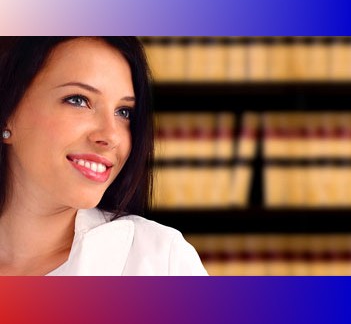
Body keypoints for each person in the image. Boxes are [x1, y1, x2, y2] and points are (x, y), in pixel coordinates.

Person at [0, 37, 207, 275]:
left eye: (124, 112)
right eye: (78, 100)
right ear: (7, 112)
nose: (111, 135)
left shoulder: (161, 261)